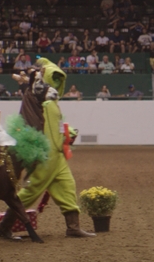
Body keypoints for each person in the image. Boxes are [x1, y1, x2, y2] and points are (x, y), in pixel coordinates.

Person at [11, 59, 96, 237]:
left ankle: (73, 227)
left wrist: (68, 131)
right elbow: (49, 131)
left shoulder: (50, 103)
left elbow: (56, 126)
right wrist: (66, 136)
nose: (57, 83)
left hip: (57, 157)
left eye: (59, 80)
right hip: (48, 156)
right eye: (54, 79)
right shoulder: (47, 104)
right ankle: (4, 226)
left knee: (67, 187)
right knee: (31, 192)